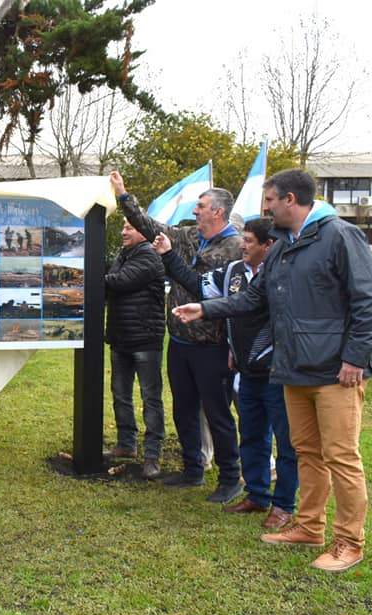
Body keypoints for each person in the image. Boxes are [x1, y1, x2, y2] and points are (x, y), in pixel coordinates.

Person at [172, 169, 372, 572]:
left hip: (336, 372)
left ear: (290, 199)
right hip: (293, 369)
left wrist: (355, 358)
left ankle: (349, 542)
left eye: (269, 200)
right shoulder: (283, 246)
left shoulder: (340, 236)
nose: (265, 208)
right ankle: (309, 527)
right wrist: (205, 308)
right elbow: (253, 298)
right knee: (307, 452)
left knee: (341, 457)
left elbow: (371, 303)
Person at [155, 218, 298, 529]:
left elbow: (245, 304)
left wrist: (206, 310)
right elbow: (198, 284)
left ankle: (283, 505)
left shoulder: (284, 275)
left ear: (268, 245)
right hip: (245, 368)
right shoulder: (234, 271)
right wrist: (168, 255)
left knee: (285, 441)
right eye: (243, 239)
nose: (242, 245)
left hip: (277, 369)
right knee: (252, 434)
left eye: (248, 241)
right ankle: (256, 494)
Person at [109, 171, 243, 503]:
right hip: (180, 342)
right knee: (184, 410)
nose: (195, 211)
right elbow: (149, 225)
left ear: (218, 212)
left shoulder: (234, 247)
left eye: (201, 206)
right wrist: (124, 196)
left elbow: (204, 288)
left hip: (212, 345)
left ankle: (230, 478)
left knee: (217, 414)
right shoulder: (188, 236)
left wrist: (169, 256)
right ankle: (192, 469)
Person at [103, 220, 167, 480]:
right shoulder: (124, 255)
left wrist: (90, 278)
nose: (123, 232)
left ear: (143, 231)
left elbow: (118, 282)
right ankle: (126, 444)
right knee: (120, 394)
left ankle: (152, 455)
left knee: (150, 398)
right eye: (123, 227)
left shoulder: (149, 257)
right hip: (121, 337)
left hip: (145, 339)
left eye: (129, 227)